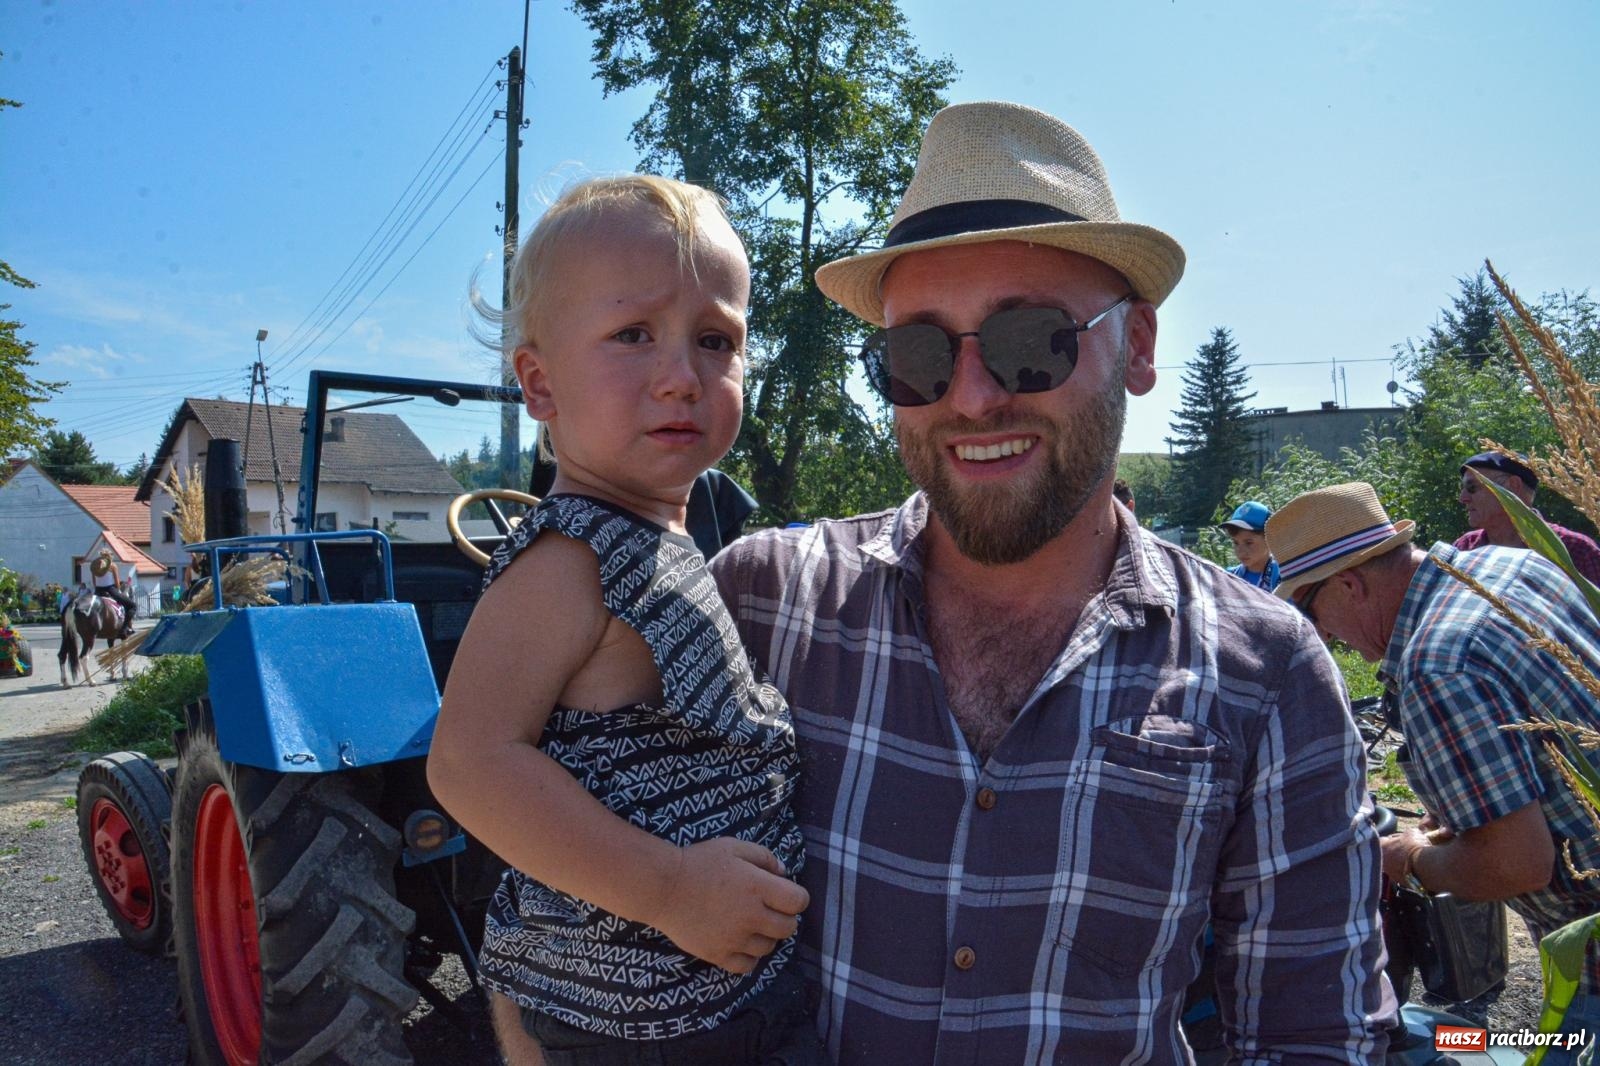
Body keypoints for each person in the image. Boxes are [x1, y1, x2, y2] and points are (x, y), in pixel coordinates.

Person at [711, 101, 1392, 1064]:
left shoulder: (1267, 673)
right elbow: (578, 930)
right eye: (919, 355)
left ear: (1141, 348)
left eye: (1033, 340)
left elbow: (1316, 1035)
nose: (974, 395)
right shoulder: (764, 604)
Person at [426, 176, 819, 1065]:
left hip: (721, 1000)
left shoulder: (658, 540)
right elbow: (467, 764)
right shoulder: (567, 561)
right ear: (540, 382)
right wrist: (671, 889)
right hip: (637, 1031)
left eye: (715, 339)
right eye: (633, 334)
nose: (682, 375)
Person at [1268, 481, 1600, 1062]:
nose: (1320, 633)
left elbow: (1516, 863)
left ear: (1348, 583)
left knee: (1559, 1047)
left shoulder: (1437, 664)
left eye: (1310, 610)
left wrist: (1412, 858)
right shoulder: (1513, 565)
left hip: (1592, 948)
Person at [1455, 450, 1600, 586]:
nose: (1463, 498)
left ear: (1513, 485)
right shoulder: (1463, 548)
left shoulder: (1576, 551)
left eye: (1472, 488)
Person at [1219, 499, 1280, 591]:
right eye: (1236, 542)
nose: (1241, 550)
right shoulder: (1228, 577)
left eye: (1249, 543)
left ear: (1269, 538)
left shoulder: (1283, 578)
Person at [89, 549, 136, 634]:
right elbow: (117, 583)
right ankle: (124, 628)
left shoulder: (95, 566)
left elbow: (94, 582)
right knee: (132, 606)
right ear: (110, 557)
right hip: (110, 590)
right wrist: (119, 591)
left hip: (98, 591)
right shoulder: (113, 566)